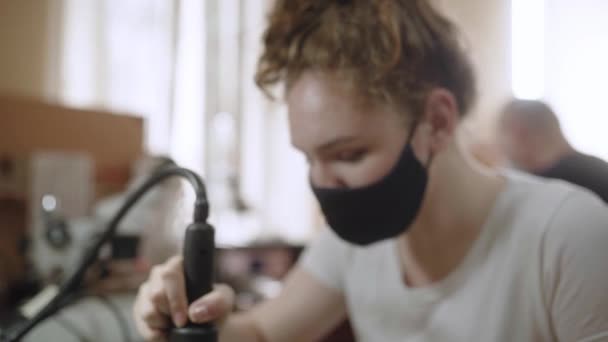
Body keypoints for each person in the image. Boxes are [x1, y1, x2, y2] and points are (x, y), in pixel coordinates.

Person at [133, 1, 608, 341]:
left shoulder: (568, 237)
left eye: (349, 155)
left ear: (437, 122)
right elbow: (258, 332)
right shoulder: (354, 245)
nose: (322, 183)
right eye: (309, 158)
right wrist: (189, 321)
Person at [499, 99, 608, 202]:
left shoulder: (541, 189)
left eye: (501, 132)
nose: (500, 145)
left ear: (519, 133)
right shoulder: (599, 168)